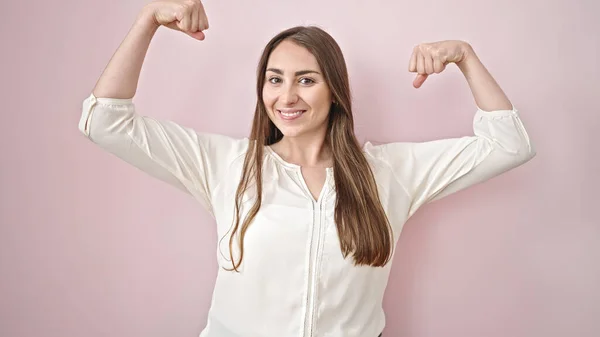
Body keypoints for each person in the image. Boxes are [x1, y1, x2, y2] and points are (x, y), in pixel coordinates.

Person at [78, 1, 536, 336]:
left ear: (334, 90)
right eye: (274, 80)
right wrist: (147, 22)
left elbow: (508, 144)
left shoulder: (390, 172)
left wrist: (465, 57)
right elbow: (105, 122)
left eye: (306, 80)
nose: (287, 96)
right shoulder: (227, 165)